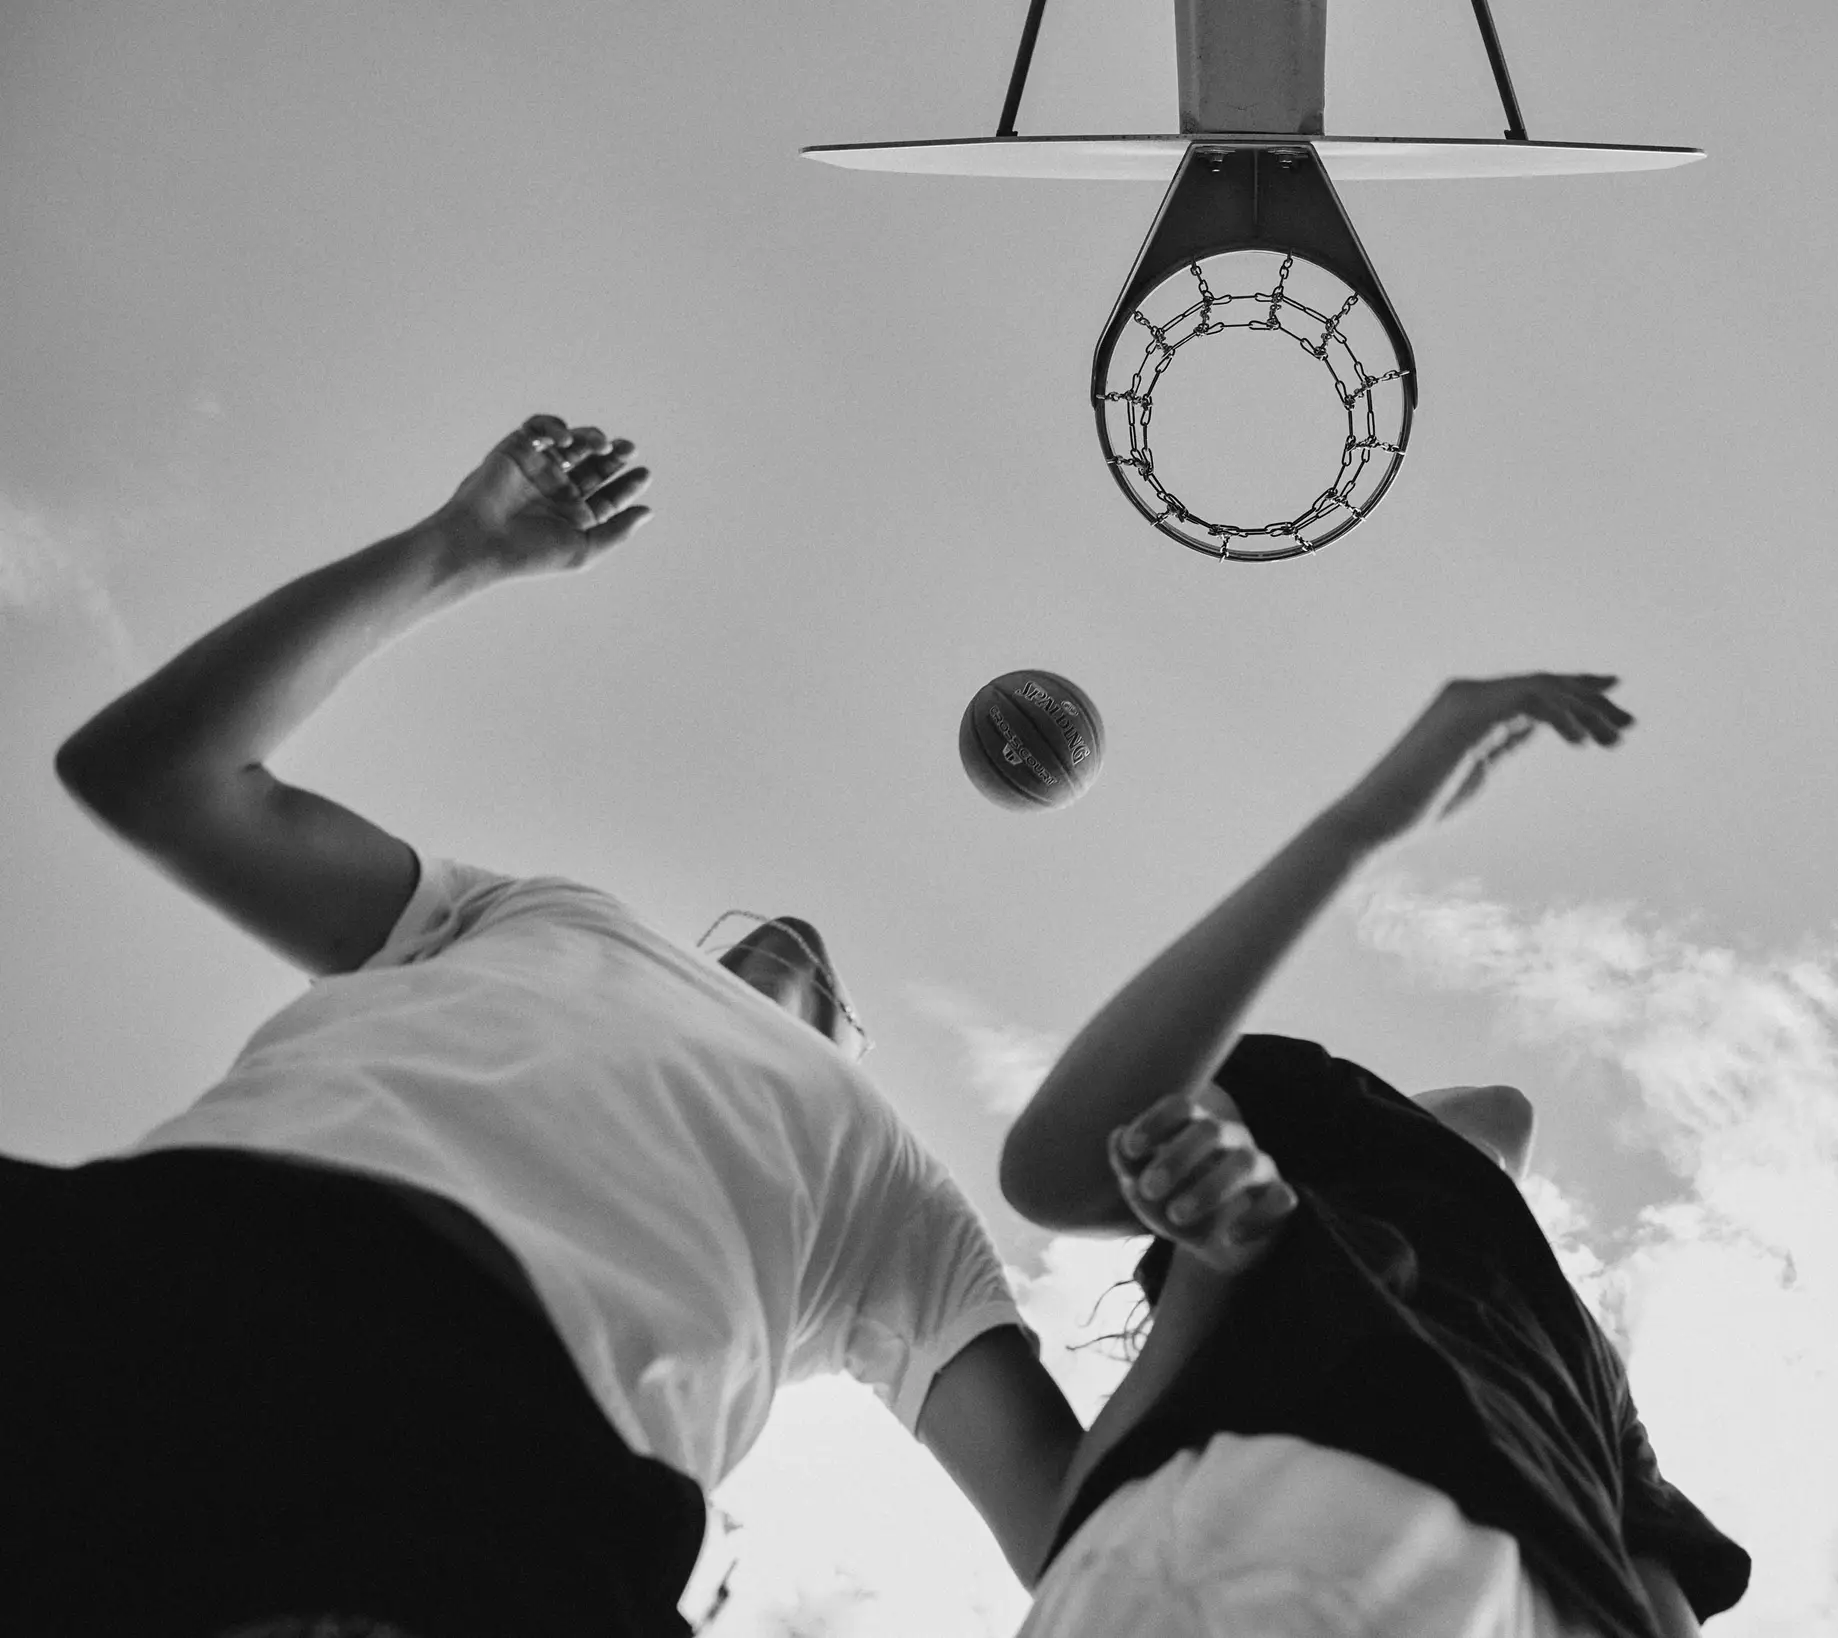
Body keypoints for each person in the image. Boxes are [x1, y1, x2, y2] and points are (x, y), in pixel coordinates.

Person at [8, 414, 1288, 1638]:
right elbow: (153, 777)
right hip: (169, 1259)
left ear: (850, 1060)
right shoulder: (529, 913)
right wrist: (458, 545)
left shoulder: (891, 1192)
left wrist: (1218, 1272)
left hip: (509, 1467)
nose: (786, 946)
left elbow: (1073, 1535)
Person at [1000, 673, 1754, 1638]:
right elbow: (1053, 1171)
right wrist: (1360, 824)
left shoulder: (1579, 1359)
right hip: (1292, 1525)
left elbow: (1655, 1586)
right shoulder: (1307, 1116)